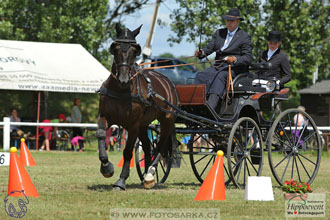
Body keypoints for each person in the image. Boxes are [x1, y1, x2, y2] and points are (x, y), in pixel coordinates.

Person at [195, 8, 252, 111]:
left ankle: (211, 107)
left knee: (220, 76)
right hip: (218, 65)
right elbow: (209, 48)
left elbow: (247, 58)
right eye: (227, 20)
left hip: (234, 68)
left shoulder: (244, 36)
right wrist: (201, 53)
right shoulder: (219, 33)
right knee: (200, 75)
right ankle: (196, 105)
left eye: (232, 21)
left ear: (238, 21)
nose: (229, 23)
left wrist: (234, 58)